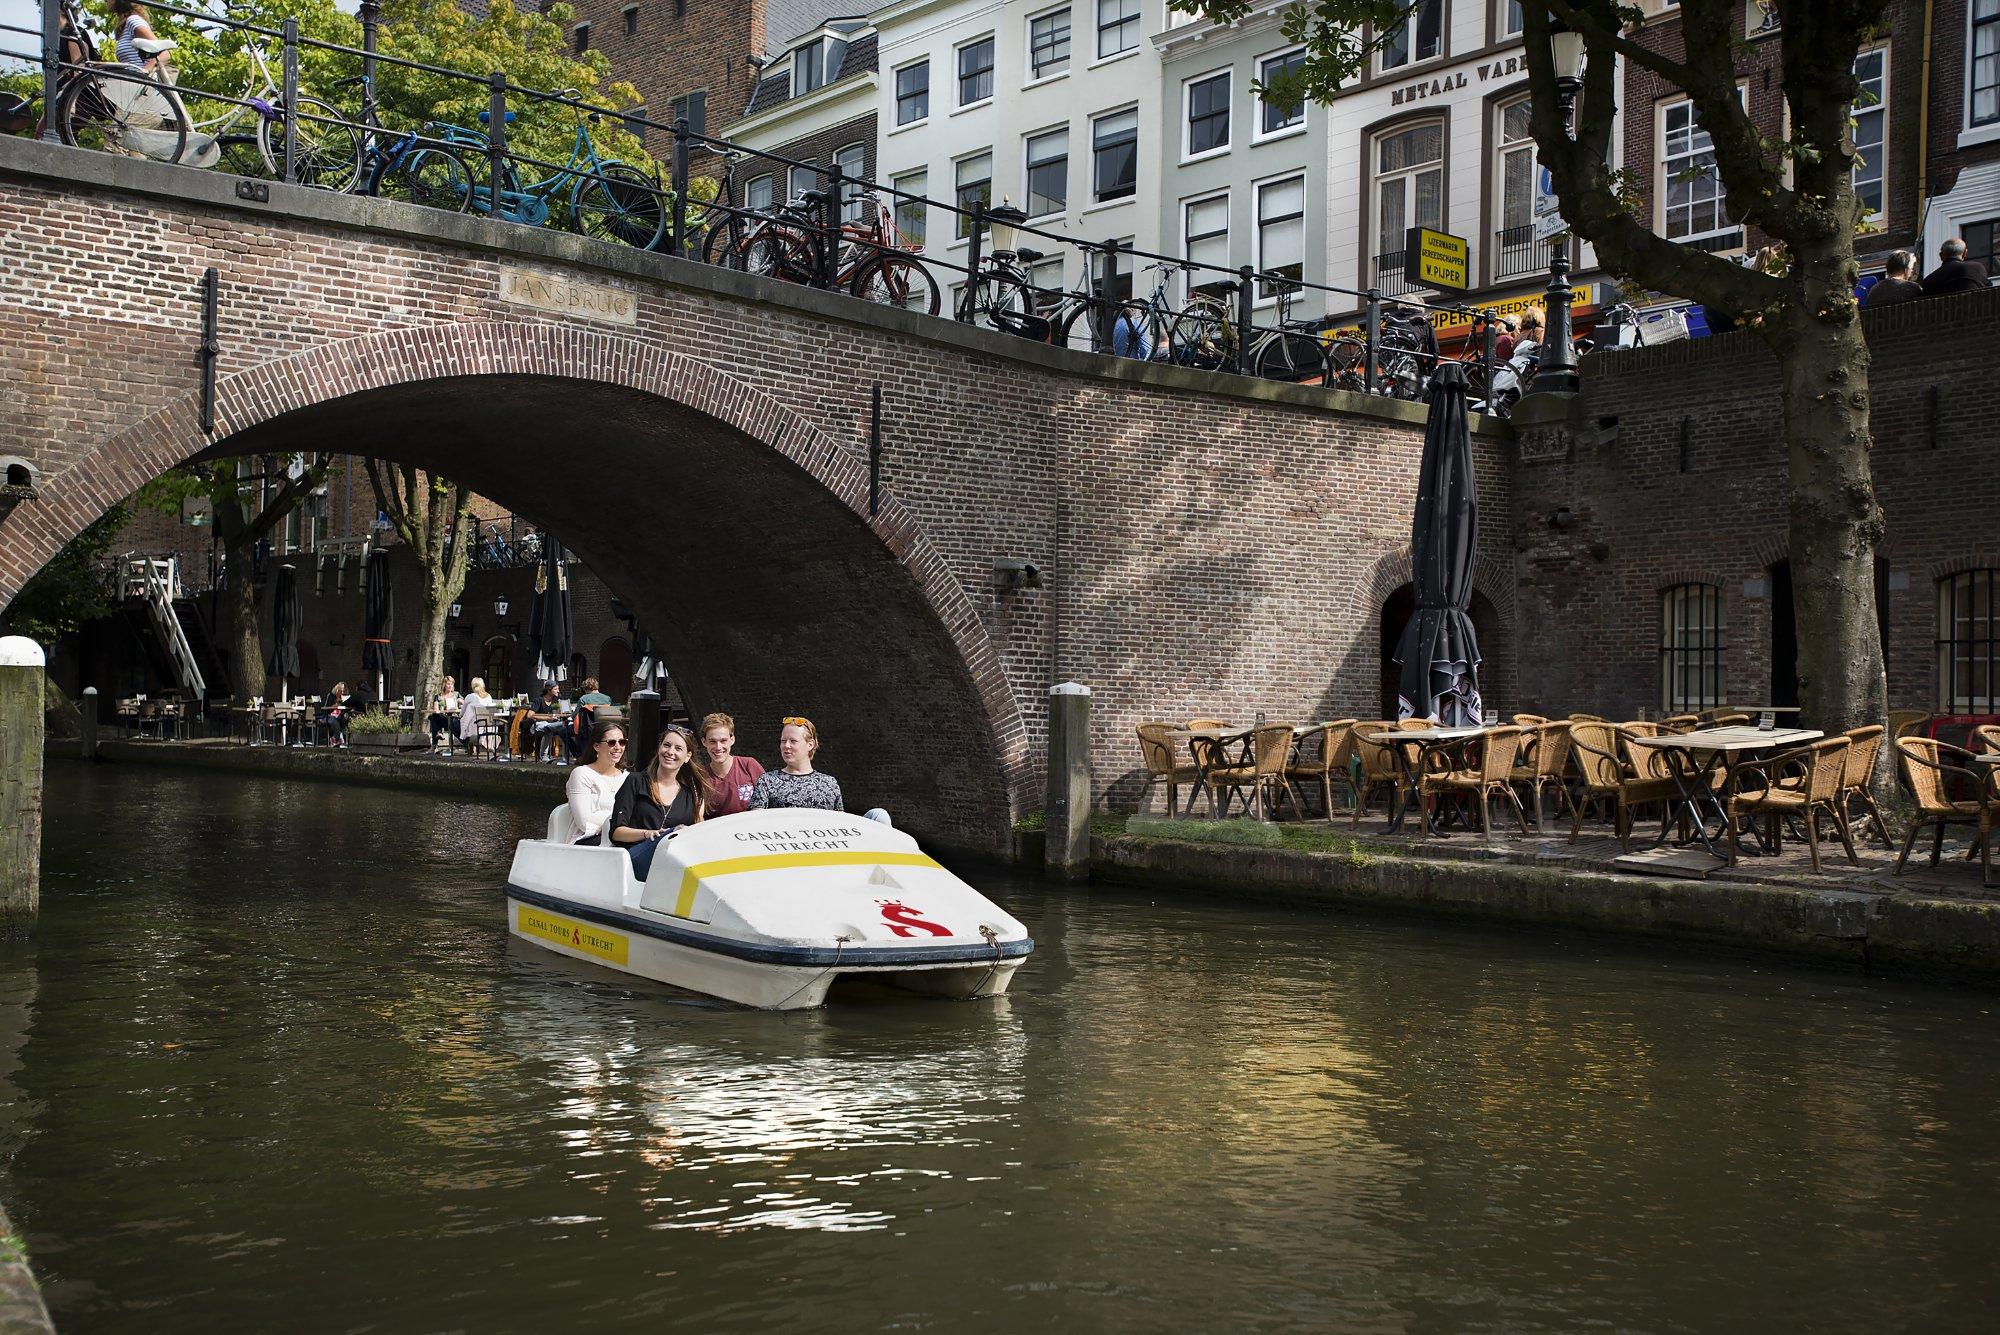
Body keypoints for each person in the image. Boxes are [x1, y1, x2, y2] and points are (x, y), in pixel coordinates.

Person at [607, 723, 706, 880]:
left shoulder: (691, 796)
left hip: (674, 863)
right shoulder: (636, 781)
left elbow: (699, 837)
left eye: (678, 749)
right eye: (666, 745)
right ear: (660, 748)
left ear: (687, 757)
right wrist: (648, 834)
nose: (670, 752)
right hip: (634, 857)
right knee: (675, 833)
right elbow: (616, 832)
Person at [747, 716, 843, 812]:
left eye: (793, 741)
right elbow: (756, 822)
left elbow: (840, 822)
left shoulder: (830, 784)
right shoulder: (767, 781)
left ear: (810, 745)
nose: (786, 746)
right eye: (783, 741)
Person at [565, 718, 628, 844]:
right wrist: (618, 824)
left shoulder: (628, 778)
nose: (618, 747)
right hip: (586, 838)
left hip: (619, 836)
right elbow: (584, 822)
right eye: (611, 742)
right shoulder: (582, 774)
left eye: (622, 742)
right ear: (596, 746)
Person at [699, 711, 767, 818]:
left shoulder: (749, 765)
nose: (718, 747)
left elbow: (768, 801)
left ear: (732, 739)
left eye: (723, 741)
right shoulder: (701, 777)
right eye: (712, 741)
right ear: (704, 742)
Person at [1921, 237, 1991, 296]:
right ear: (1965, 253)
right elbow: (1989, 291)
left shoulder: (1928, 280)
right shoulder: (1976, 268)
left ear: (1941, 256)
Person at [109, 1, 163, 71]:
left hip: (138, 79)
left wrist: (145, 72)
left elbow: (164, 53)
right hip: (129, 78)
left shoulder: (133, 20)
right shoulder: (126, 25)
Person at [529, 682, 568, 762]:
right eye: (556, 689)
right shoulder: (539, 700)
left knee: (553, 730)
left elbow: (565, 711)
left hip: (551, 724)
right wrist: (547, 718)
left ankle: (560, 757)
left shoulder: (557, 700)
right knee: (551, 727)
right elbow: (530, 715)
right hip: (537, 725)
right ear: (549, 690)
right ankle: (544, 756)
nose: (558, 691)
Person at [459, 677, 496, 755]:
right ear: (483, 685)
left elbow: (462, 713)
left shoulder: (470, 697)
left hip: (475, 725)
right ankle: (483, 743)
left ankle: (471, 744)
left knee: (456, 723)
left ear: (472, 686)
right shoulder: (489, 696)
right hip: (488, 725)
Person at [427, 675, 461, 753]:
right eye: (448, 684)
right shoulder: (438, 696)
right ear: (444, 685)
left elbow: (465, 704)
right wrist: (439, 708)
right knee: (433, 716)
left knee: (433, 719)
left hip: (454, 718)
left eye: (451, 684)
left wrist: (459, 702)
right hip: (443, 718)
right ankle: (438, 735)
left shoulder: (456, 695)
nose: (450, 686)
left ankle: (436, 741)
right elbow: (436, 708)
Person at [318, 681, 354, 749]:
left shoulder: (344, 697)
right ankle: (339, 740)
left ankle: (338, 740)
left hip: (339, 716)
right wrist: (334, 706)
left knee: (345, 720)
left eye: (344, 691)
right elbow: (326, 708)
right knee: (333, 720)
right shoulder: (331, 695)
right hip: (328, 716)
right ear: (337, 690)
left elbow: (347, 709)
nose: (342, 693)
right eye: (341, 691)